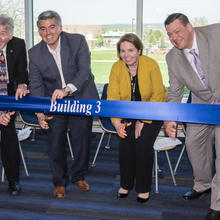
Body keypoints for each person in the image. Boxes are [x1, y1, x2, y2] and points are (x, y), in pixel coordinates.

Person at [29, 10, 99, 198]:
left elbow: (84, 72)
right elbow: (35, 85)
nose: (48, 32)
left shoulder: (77, 41)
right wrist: (40, 113)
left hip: (80, 97)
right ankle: (59, 182)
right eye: (42, 29)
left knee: (81, 140)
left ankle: (78, 176)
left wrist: (67, 89)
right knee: (55, 142)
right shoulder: (34, 53)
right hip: (54, 103)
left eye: (52, 27)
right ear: (39, 31)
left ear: (60, 27)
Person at [164, 13, 220, 220]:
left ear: (190, 27)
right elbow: (175, 92)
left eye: (177, 31)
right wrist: (170, 119)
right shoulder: (172, 57)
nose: (174, 37)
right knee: (193, 144)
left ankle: (217, 204)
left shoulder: (216, 33)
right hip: (201, 104)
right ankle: (203, 185)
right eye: (170, 35)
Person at [107, 33, 166, 203]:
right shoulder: (116, 67)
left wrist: (142, 120)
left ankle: (143, 188)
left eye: (131, 50)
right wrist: (117, 123)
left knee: (142, 143)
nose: (127, 55)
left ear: (139, 50)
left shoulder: (151, 65)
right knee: (125, 143)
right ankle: (125, 184)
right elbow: (113, 97)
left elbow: (158, 95)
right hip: (127, 113)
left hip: (153, 111)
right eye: (122, 51)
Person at [0, 14, 29, 195]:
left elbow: (21, 71)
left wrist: (22, 84)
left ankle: (13, 180)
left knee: (8, 137)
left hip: (8, 97)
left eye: (3, 33)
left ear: (10, 35)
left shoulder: (17, 45)